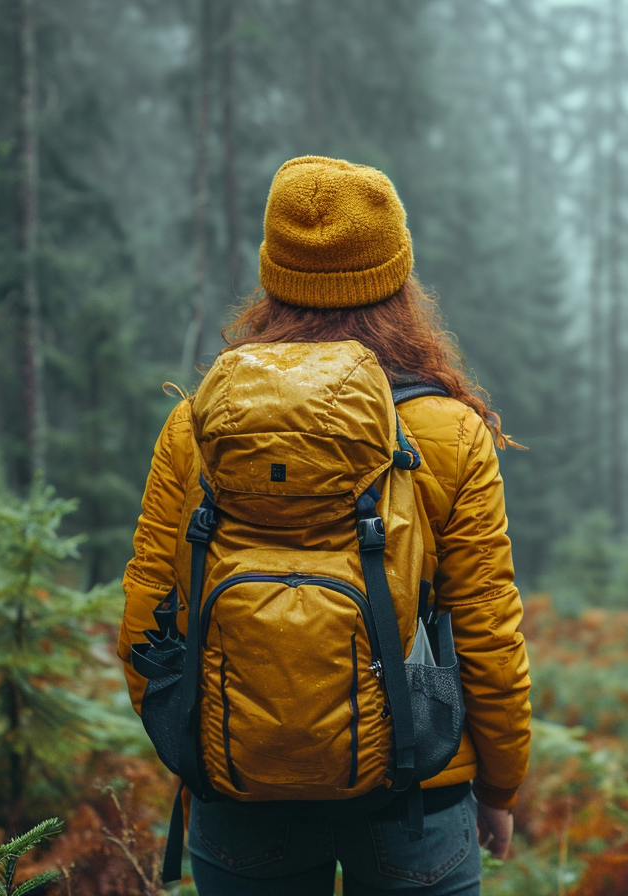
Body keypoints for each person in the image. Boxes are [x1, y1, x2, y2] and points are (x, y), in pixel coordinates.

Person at [118, 155, 532, 895]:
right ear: (398, 280)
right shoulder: (447, 432)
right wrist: (499, 786)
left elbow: (149, 617)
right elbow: (486, 633)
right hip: (418, 791)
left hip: (240, 791)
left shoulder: (200, 427)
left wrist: (209, 745)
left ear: (272, 276)